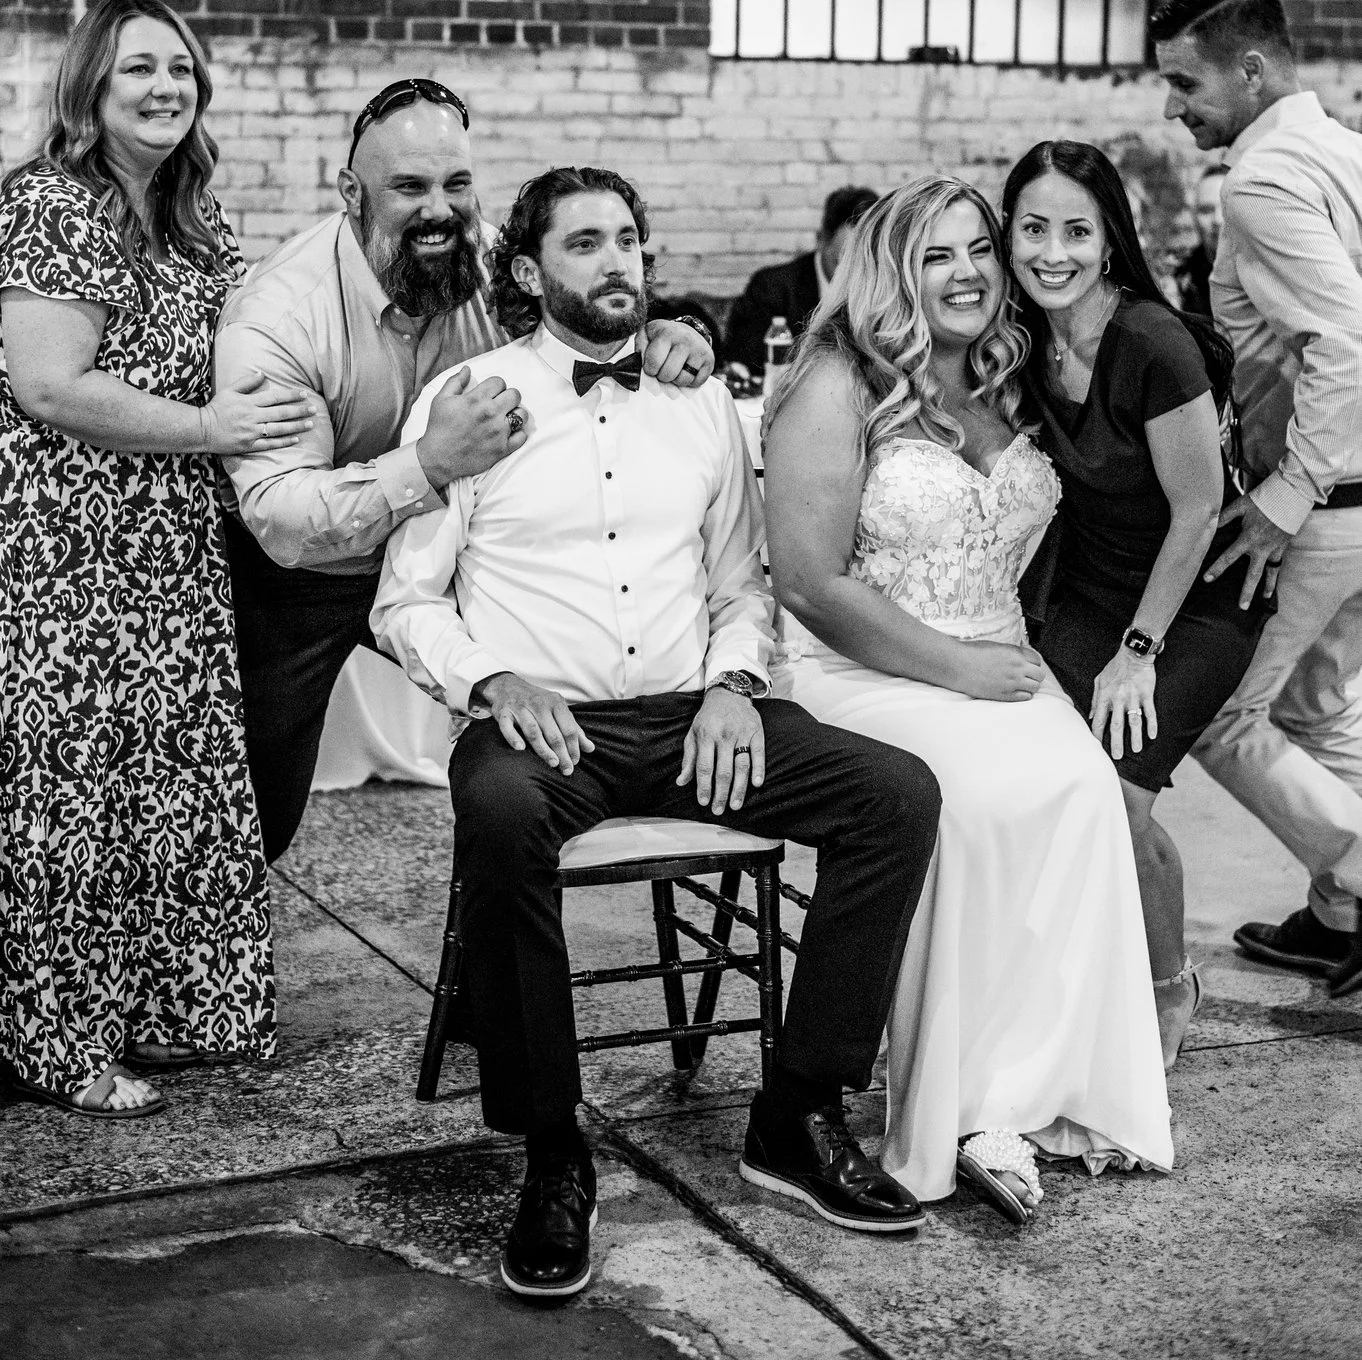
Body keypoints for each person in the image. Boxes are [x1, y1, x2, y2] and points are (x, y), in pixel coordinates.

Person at [372, 165, 941, 1299]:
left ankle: (798, 1111)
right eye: (584, 243)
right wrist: (491, 680)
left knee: (896, 793)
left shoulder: (700, 401)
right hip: (544, 723)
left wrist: (737, 681)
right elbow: (405, 599)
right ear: (530, 273)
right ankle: (552, 1151)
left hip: (696, 714)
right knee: (495, 809)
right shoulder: (473, 399)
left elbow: (742, 580)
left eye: (627, 237)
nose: (616, 259)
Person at [763, 178, 1171, 1224]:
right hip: (865, 666)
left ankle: (1050, 1093)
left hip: (1003, 655)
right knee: (978, 805)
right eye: (937, 253)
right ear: (894, 267)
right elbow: (809, 582)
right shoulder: (837, 382)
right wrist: (954, 668)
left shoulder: (1011, 374)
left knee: (1085, 796)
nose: (967, 272)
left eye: (980, 249)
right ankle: (967, 1104)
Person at [215, 79, 717, 866]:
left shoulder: (482, 256)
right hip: (303, 576)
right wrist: (427, 462)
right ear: (352, 192)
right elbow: (278, 515)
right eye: (409, 188)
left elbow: (580, 304)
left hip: (449, 558)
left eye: (456, 185)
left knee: (520, 771)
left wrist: (662, 327)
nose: (441, 211)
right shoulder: (278, 316)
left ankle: (510, 921)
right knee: (255, 811)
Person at [0, 0, 303, 1118]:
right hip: (65, 550)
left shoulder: (195, 220)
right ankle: (57, 1037)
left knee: (166, 778)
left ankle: (172, 1005)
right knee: (73, 789)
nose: (166, 86)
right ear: (91, 85)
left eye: (181, 66)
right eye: (139, 68)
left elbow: (266, 351)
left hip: (171, 546)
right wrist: (212, 430)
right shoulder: (50, 203)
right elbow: (48, 383)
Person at [1001, 141, 1268, 1070]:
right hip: (1086, 590)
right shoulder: (1022, 336)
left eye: (1077, 229)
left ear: (1110, 238)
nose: (1053, 252)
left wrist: (1139, 650)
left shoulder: (1152, 343)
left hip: (1192, 602)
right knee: (1048, 788)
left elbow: (1196, 511)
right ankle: (1068, 975)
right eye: (1033, 228)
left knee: (1119, 797)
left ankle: (1167, 983)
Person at [1151, 0, 1362, 999]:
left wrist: (1282, 500)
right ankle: (1339, 920)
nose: (1173, 106)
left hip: (1321, 502)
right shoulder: (1346, 149)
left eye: (1184, 82)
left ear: (1250, 66)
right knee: (1323, 713)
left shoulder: (1263, 180)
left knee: (1218, 714)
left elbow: (1346, 343)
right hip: (1359, 499)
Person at [725, 186, 879, 379]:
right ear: (821, 240)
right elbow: (745, 358)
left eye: (865, 258)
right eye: (845, 259)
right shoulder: (772, 286)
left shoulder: (882, 289)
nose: (855, 270)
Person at [1171, 163, 1229, 321]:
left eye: (1225, 208)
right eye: (1206, 210)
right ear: (1194, 217)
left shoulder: (1263, 272)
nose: (1217, 220)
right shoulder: (1178, 281)